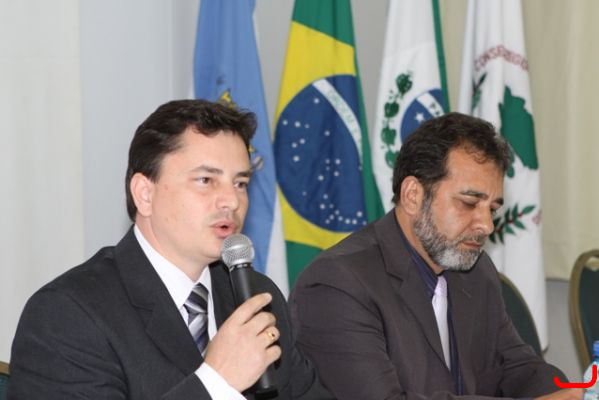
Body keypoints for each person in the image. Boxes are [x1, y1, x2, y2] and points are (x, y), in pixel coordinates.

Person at [8, 99, 333, 400]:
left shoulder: (256, 297)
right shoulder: (68, 315)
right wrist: (216, 382)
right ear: (144, 194)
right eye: (206, 180)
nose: (232, 201)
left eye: (240, 183)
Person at [289, 112, 581, 400]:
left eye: (492, 209)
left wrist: (566, 393)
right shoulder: (337, 284)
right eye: (469, 203)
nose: (486, 226)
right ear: (413, 195)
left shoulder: (475, 270)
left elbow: (517, 367)